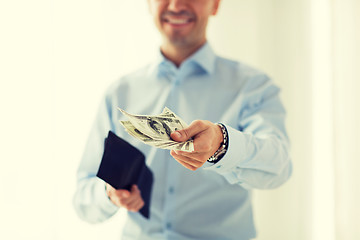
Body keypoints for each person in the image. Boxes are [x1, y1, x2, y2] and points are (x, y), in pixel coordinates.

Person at [73, 0, 292, 239]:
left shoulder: (252, 86)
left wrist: (222, 144)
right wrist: (109, 193)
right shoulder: (119, 93)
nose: (176, 5)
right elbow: (83, 198)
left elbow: (278, 167)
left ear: (215, 4)